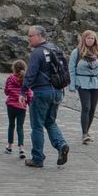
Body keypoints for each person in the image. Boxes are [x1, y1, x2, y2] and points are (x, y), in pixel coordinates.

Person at [25, 26, 73, 168]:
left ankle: (37, 158)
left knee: (37, 125)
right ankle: (61, 144)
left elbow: (31, 74)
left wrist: (23, 91)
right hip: (57, 91)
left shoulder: (37, 52)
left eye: (31, 36)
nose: (29, 39)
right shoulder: (55, 48)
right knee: (50, 121)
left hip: (41, 92)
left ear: (39, 36)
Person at [72, 30, 98, 145]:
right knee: (86, 107)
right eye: (88, 38)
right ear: (84, 39)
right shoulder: (77, 52)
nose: (90, 40)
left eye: (92, 38)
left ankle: (87, 130)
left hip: (95, 82)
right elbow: (71, 69)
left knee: (92, 108)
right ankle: (84, 133)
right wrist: (72, 84)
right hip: (82, 82)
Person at [4, 61, 31, 156]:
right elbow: (29, 93)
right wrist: (28, 103)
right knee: (20, 127)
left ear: (14, 69)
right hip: (21, 107)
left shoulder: (10, 78)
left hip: (11, 106)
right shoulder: (26, 80)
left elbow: (6, 92)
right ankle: (21, 148)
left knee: (11, 125)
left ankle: (10, 146)